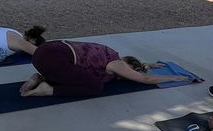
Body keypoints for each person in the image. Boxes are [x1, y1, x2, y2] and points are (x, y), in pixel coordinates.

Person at [19, 38, 198, 97]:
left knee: (75, 74)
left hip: (45, 52)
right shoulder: (117, 64)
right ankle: (47, 88)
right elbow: (145, 79)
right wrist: (175, 78)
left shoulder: (111, 55)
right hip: (52, 59)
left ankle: (39, 76)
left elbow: (139, 69)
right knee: (95, 85)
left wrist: (149, 64)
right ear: (128, 67)